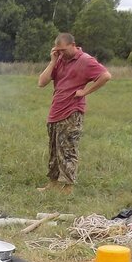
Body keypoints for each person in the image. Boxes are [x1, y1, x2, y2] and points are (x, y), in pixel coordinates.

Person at [36, 33, 112, 193]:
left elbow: (105, 76)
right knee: (54, 150)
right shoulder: (59, 60)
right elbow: (41, 83)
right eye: (58, 50)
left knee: (68, 149)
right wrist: (53, 61)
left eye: (63, 50)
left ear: (73, 45)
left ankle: (68, 186)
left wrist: (85, 91)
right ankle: (53, 183)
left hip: (72, 112)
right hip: (56, 111)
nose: (61, 53)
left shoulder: (85, 60)